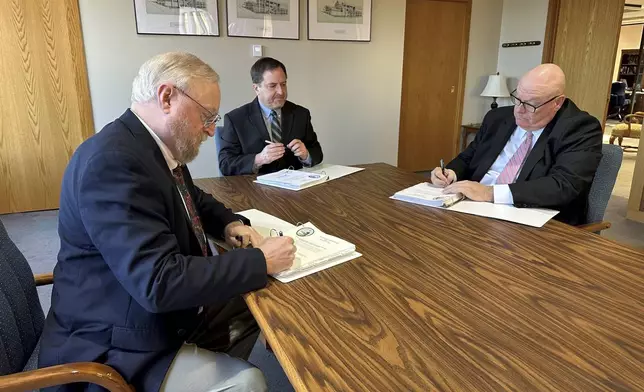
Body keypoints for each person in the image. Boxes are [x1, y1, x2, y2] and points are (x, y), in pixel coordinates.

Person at [38, 52, 296, 392]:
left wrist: (230, 224)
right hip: (115, 345)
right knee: (247, 382)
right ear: (166, 97)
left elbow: (195, 200)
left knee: (258, 298)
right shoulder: (111, 163)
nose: (209, 130)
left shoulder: (150, 146)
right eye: (206, 116)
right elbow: (159, 282)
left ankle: (214, 355)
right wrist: (260, 260)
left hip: (149, 310)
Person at [430, 64, 602, 226]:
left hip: (531, 218)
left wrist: (490, 193)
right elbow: (469, 157)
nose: (519, 110)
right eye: (518, 99)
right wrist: (451, 172)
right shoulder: (497, 118)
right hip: (472, 209)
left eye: (531, 104)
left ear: (557, 103)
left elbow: (564, 185)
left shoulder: (580, 128)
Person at [218, 57, 323, 175]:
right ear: (256, 88)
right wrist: (259, 159)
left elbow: (317, 152)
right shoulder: (236, 119)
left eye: (283, 84)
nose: (281, 92)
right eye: (272, 86)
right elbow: (225, 164)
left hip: (296, 187)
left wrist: (306, 155)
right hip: (254, 188)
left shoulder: (301, 114)